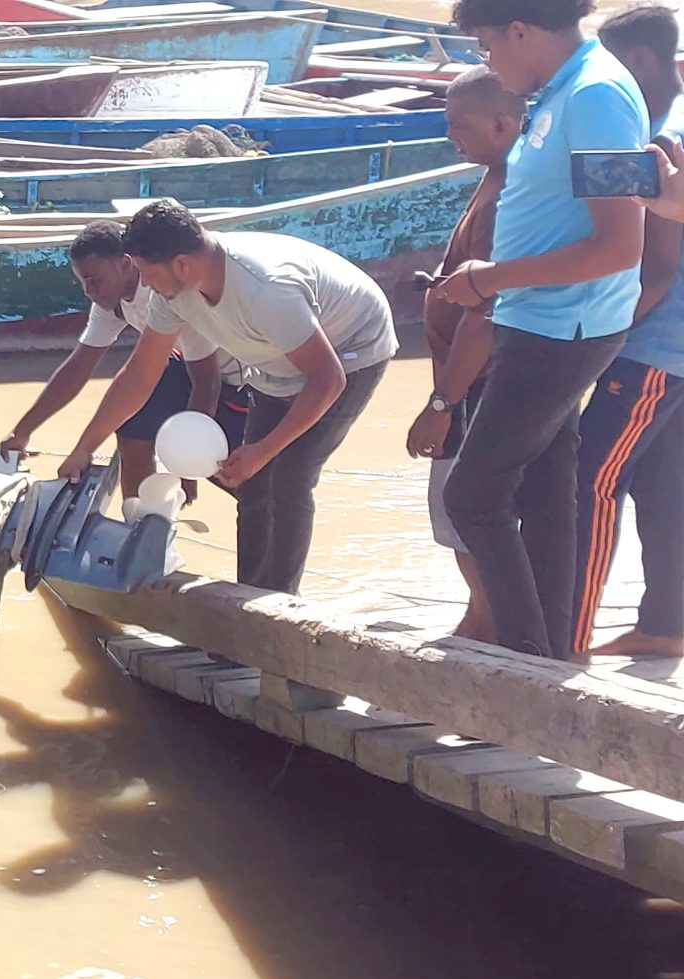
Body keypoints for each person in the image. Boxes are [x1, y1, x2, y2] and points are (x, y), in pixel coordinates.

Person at [431, 0, 650, 660]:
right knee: (547, 491)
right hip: (537, 320)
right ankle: (550, 656)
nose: (487, 62)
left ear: (521, 31)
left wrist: (492, 279)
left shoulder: (598, 97)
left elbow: (620, 246)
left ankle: (521, 662)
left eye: (487, 47)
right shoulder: (561, 90)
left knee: (473, 496)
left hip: (563, 328)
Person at [58, 201, 396, 594]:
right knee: (254, 488)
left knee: (289, 478)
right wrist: (85, 446)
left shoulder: (268, 290)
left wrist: (263, 449)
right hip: (274, 359)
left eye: (148, 274)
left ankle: (281, 605)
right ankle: (249, 594)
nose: (144, 285)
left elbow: (327, 379)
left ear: (181, 264)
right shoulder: (173, 293)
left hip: (350, 350)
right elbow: (140, 374)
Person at [572, 5, 684, 658]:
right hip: (674, 355)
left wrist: (597, 345)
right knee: (663, 486)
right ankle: (665, 626)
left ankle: (568, 631)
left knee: (592, 479)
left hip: (652, 347)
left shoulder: (659, 139)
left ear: (638, 60)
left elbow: (661, 267)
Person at [0, 220, 249, 499]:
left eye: (94, 281)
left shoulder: (169, 293)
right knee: (131, 421)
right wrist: (23, 430)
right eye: (83, 284)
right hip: (188, 371)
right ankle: (138, 519)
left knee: (240, 480)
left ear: (125, 264)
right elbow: (78, 368)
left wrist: (185, 467)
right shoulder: (110, 301)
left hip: (240, 385)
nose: (89, 293)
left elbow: (207, 383)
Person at [408, 65, 527, 643]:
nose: (450, 136)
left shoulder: (507, 197)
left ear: (502, 123)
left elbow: (484, 318)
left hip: (474, 380)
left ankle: (489, 620)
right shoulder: (494, 174)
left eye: (459, 126)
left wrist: (441, 402)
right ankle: (483, 614)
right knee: (459, 506)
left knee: (465, 503)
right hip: (463, 374)